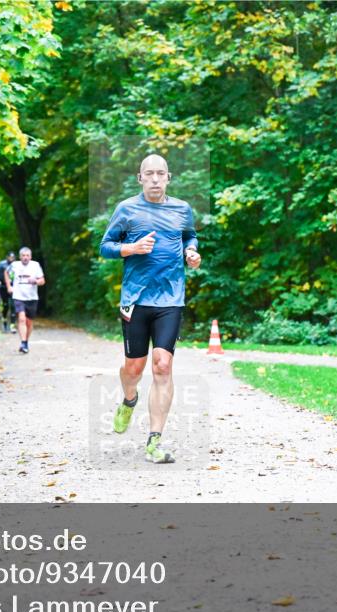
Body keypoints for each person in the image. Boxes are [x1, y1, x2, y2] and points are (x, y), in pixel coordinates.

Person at [99, 154, 201, 464]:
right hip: (135, 298)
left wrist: (192, 252)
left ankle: (154, 441)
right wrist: (130, 248)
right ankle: (129, 399)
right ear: (140, 178)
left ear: (169, 177)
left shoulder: (182, 209)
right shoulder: (126, 210)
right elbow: (105, 246)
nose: (155, 179)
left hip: (170, 298)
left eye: (160, 173)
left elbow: (190, 235)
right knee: (134, 368)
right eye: (149, 174)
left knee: (162, 365)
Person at [3, 247, 45, 354]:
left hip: (32, 297)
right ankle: (23, 342)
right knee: (21, 319)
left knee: (29, 322)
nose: (25, 258)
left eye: (27, 255)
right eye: (23, 255)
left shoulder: (35, 265)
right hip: (18, 296)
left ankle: (26, 341)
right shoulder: (15, 265)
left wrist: (35, 281)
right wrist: (9, 286)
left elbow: (42, 281)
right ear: (20, 256)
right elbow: (6, 273)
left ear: (30, 257)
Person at [0, 251, 16, 333]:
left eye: (12, 257)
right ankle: (4, 323)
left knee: (13, 306)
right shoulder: (2, 264)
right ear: (7, 257)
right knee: (6, 305)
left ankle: (12, 326)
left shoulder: (16, 265)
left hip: (14, 287)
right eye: (9, 257)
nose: (11, 259)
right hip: (3, 287)